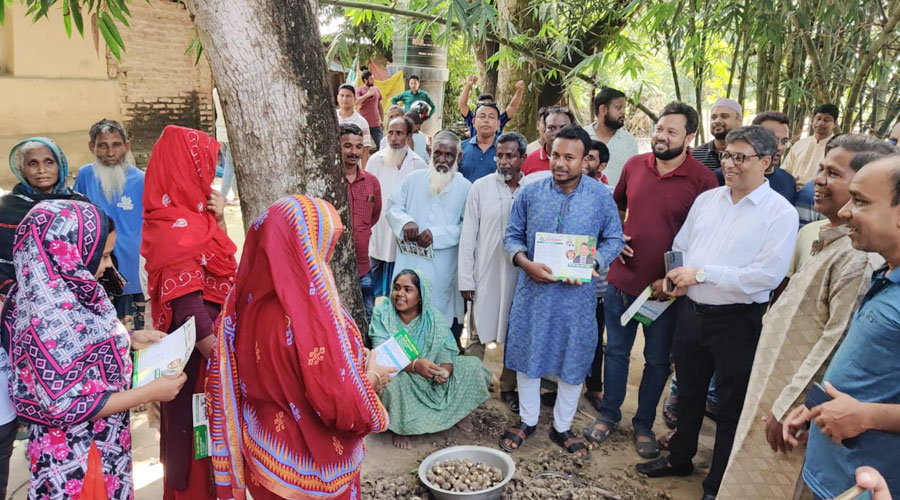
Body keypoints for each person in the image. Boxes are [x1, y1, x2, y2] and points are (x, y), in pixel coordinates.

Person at [718, 136, 892, 499]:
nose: (818, 181)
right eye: (820, 170)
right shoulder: (834, 240)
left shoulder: (858, 258)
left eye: (833, 173)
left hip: (792, 418)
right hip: (777, 398)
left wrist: (790, 406)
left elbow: (836, 341)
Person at [637, 126, 799, 499]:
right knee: (688, 393)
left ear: (766, 162)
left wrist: (702, 273)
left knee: (730, 405)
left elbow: (766, 275)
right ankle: (679, 459)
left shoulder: (780, 214)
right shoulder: (708, 200)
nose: (729, 164)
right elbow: (681, 245)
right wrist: (676, 274)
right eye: (727, 155)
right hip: (692, 312)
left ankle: (717, 485)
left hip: (738, 322)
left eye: (740, 157)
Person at [207, 195, 394, 500]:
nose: (327, 254)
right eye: (324, 243)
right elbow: (339, 402)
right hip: (311, 469)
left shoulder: (241, 303)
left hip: (267, 454)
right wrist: (371, 379)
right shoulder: (312, 316)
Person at [0, 199, 186, 500]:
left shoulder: (57, 291)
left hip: (101, 445)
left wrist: (129, 338)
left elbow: (79, 344)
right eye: (103, 256)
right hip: (78, 460)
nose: (109, 265)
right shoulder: (46, 318)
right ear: (66, 255)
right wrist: (150, 393)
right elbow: (66, 405)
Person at [586, 102, 719, 459]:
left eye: (671, 131)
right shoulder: (633, 166)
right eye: (659, 129)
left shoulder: (704, 181)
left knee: (658, 360)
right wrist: (616, 237)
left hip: (665, 292)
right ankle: (610, 414)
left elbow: (706, 238)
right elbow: (615, 208)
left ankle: (643, 423)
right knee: (614, 352)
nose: (662, 136)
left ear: (689, 137)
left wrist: (675, 279)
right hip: (621, 280)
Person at [499, 125, 624, 457]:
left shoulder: (601, 198)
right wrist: (526, 264)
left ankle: (561, 426)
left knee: (574, 357)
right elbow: (511, 237)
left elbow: (614, 238)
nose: (560, 163)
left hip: (577, 298)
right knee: (528, 354)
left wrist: (593, 262)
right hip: (533, 293)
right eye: (555, 155)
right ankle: (526, 419)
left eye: (570, 157)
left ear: (585, 160)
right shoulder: (529, 193)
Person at [781, 155, 900, 499]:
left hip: (869, 482)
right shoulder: (886, 274)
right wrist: (815, 406)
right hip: (832, 471)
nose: (845, 212)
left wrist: (867, 415)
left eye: (860, 201)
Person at [141, 125, 238, 500]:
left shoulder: (195, 219)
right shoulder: (173, 226)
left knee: (212, 443)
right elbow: (188, 308)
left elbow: (226, 267)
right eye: (204, 167)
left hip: (212, 351)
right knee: (198, 442)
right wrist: (226, 362)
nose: (209, 177)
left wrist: (219, 218)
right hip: (199, 360)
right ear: (184, 169)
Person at [373, 269, 491, 449]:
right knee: (393, 383)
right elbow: (379, 355)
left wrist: (444, 370)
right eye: (396, 288)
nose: (399, 294)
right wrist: (415, 366)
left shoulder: (432, 317)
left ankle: (459, 413)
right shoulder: (383, 313)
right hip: (401, 372)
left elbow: (444, 348)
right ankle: (402, 428)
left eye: (407, 289)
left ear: (421, 297)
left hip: (429, 373)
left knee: (472, 366)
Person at [458, 131, 527, 413]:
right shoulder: (481, 188)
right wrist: (466, 277)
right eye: (499, 155)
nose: (503, 161)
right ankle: (472, 387)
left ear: (523, 157)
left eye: (510, 155)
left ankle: (508, 387)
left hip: (518, 276)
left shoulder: (531, 189)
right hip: (484, 273)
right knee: (476, 333)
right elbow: (468, 235)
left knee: (514, 332)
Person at [386, 130, 471, 336]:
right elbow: (392, 207)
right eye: (438, 154)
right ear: (428, 152)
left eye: (449, 155)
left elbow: (467, 228)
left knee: (436, 312)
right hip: (409, 261)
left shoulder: (466, 188)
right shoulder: (413, 180)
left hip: (442, 266)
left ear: (458, 157)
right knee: (403, 311)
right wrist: (406, 222)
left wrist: (436, 235)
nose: (442, 159)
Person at [74, 119, 147, 328]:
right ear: (92, 147)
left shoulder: (142, 180)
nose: (110, 152)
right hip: (97, 271)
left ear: (127, 146)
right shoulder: (86, 175)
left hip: (132, 271)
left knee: (133, 336)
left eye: (116, 144)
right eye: (102, 145)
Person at [1, 138, 89, 300]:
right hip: (19, 298)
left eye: (49, 162)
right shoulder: (7, 208)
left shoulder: (79, 205)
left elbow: (95, 251)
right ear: (22, 169)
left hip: (72, 296)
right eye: (33, 164)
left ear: (60, 166)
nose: (41, 170)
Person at [367, 116, 428, 300]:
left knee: (398, 286)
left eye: (399, 133)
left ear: (409, 136)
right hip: (377, 232)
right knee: (372, 288)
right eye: (391, 133)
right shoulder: (375, 160)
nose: (393, 138)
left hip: (404, 238)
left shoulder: (419, 165)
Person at [341, 123, 382, 321]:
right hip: (333, 269)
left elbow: (374, 216)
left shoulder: (371, 182)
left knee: (367, 316)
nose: (354, 151)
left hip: (364, 267)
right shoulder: (330, 182)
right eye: (347, 145)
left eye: (358, 146)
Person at [583, 87, 639, 186]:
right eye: (618, 107)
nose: (623, 112)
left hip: (617, 201)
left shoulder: (629, 141)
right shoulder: (582, 136)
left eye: (624, 108)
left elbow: (634, 175)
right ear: (603, 109)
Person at [741, 111, 798, 203]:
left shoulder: (788, 181)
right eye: (773, 140)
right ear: (752, 139)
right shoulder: (730, 176)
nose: (779, 147)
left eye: (784, 142)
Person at [783, 104, 839, 188]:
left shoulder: (836, 149)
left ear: (834, 124)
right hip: (791, 189)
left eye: (826, 120)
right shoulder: (800, 144)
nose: (820, 123)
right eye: (818, 118)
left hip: (818, 194)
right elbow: (786, 169)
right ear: (813, 120)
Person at [458, 75, 525, 137]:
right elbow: (462, 105)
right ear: (474, 122)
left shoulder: (498, 120)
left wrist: (519, 91)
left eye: (489, 105)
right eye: (483, 105)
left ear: (497, 123)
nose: (486, 120)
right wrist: (469, 85)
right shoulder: (473, 119)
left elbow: (512, 107)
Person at [691, 98, 744, 171]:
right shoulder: (695, 156)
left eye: (724, 116)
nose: (717, 121)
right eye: (713, 117)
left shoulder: (749, 154)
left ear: (739, 120)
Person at [521, 106, 577, 175]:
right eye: (551, 128)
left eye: (563, 128)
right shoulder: (528, 162)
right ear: (544, 131)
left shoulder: (581, 160)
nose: (557, 133)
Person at [459, 101, 500, 182]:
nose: (486, 120)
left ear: (498, 124)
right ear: (474, 122)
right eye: (482, 116)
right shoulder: (461, 148)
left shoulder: (504, 151)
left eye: (491, 117)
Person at [213, 87, 238, 203]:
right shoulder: (230, 90)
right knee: (230, 166)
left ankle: (236, 193)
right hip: (230, 132)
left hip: (220, 131)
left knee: (231, 166)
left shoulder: (215, 91)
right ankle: (222, 196)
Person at [336, 84, 371, 167]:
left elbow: (365, 150)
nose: (344, 99)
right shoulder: (332, 119)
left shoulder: (362, 122)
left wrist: (364, 172)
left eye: (348, 96)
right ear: (337, 98)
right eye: (342, 96)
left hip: (354, 168)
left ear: (354, 98)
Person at [356, 70, 384, 150]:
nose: (373, 81)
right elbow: (356, 101)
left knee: (381, 145)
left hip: (376, 123)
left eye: (373, 78)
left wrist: (382, 120)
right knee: (363, 146)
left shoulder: (376, 89)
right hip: (363, 123)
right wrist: (367, 95)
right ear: (365, 80)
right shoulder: (359, 90)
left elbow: (380, 105)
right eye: (371, 79)